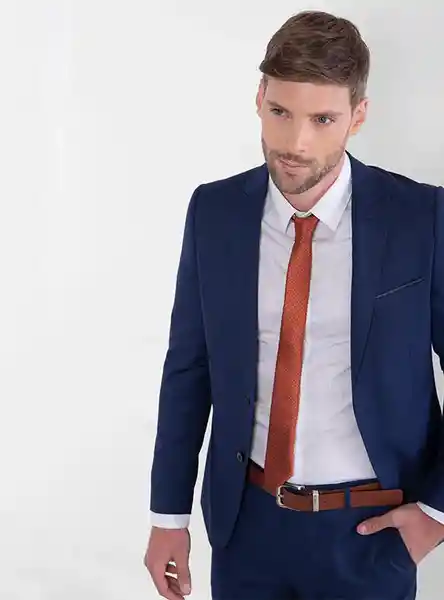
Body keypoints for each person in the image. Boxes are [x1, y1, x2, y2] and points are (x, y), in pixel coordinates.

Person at [144, 10, 444, 600]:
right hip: (246, 527)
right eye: (280, 111)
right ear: (259, 98)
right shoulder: (215, 213)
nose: (295, 143)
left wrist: (436, 511)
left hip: (371, 531)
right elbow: (188, 369)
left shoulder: (422, 219)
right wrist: (168, 517)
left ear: (358, 115)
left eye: (322, 119)